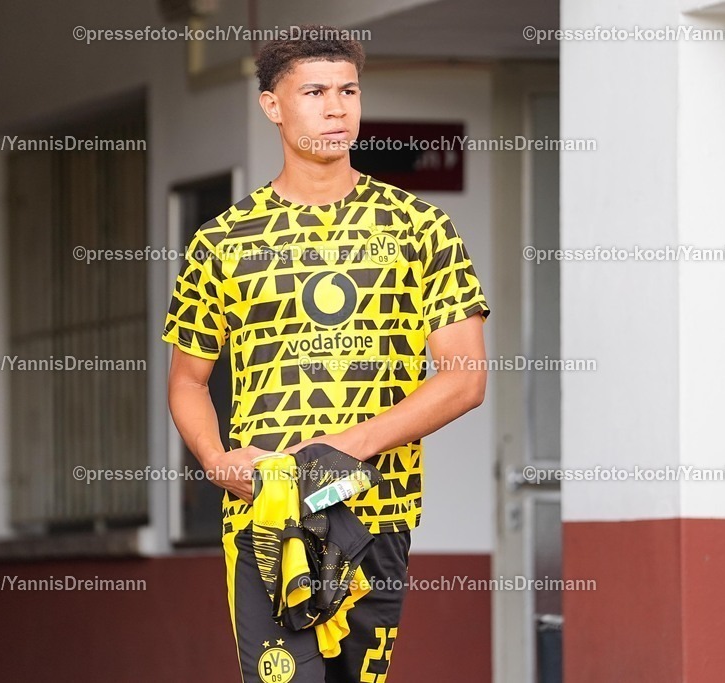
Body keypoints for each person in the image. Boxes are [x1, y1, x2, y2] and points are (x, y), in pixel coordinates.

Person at [164, 24, 490, 683]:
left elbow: (465, 376)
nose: (337, 108)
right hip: (267, 508)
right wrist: (214, 458)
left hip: (378, 509)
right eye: (314, 91)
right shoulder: (222, 241)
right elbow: (188, 381)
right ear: (272, 106)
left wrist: (350, 444)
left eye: (348, 90)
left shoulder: (419, 228)